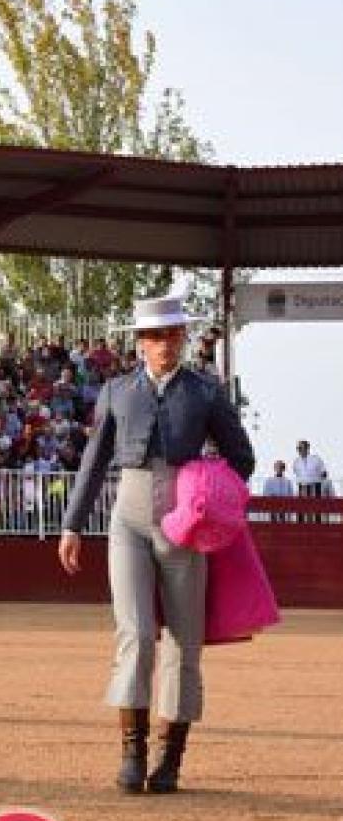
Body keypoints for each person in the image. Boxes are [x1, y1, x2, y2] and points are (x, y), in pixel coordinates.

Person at [57, 294, 255, 795]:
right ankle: (132, 754)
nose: (164, 343)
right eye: (154, 335)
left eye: (172, 334)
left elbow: (242, 458)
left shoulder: (206, 392)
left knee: (184, 641)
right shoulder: (117, 391)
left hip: (184, 523)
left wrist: (207, 492)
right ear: (140, 343)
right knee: (137, 634)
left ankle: (170, 760)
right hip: (128, 517)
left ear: (183, 338)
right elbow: (94, 460)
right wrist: (72, 524)